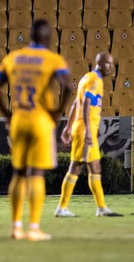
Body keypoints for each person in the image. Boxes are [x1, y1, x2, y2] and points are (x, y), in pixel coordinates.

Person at [0, 19, 72, 241]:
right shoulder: (53, 59)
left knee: (19, 173)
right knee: (35, 173)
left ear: (30, 36)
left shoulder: (13, 57)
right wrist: (57, 112)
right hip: (40, 120)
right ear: (47, 38)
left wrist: (7, 115)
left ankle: (16, 226)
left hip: (18, 120)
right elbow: (68, 85)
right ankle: (33, 228)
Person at [54, 52, 123, 218]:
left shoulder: (87, 78)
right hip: (86, 129)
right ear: (100, 64)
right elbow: (84, 104)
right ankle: (62, 208)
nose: (111, 67)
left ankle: (101, 208)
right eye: (109, 64)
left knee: (94, 167)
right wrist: (87, 132)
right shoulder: (94, 80)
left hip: (81, 127)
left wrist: (68, 127)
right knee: (76, 167)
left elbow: (76, 103)